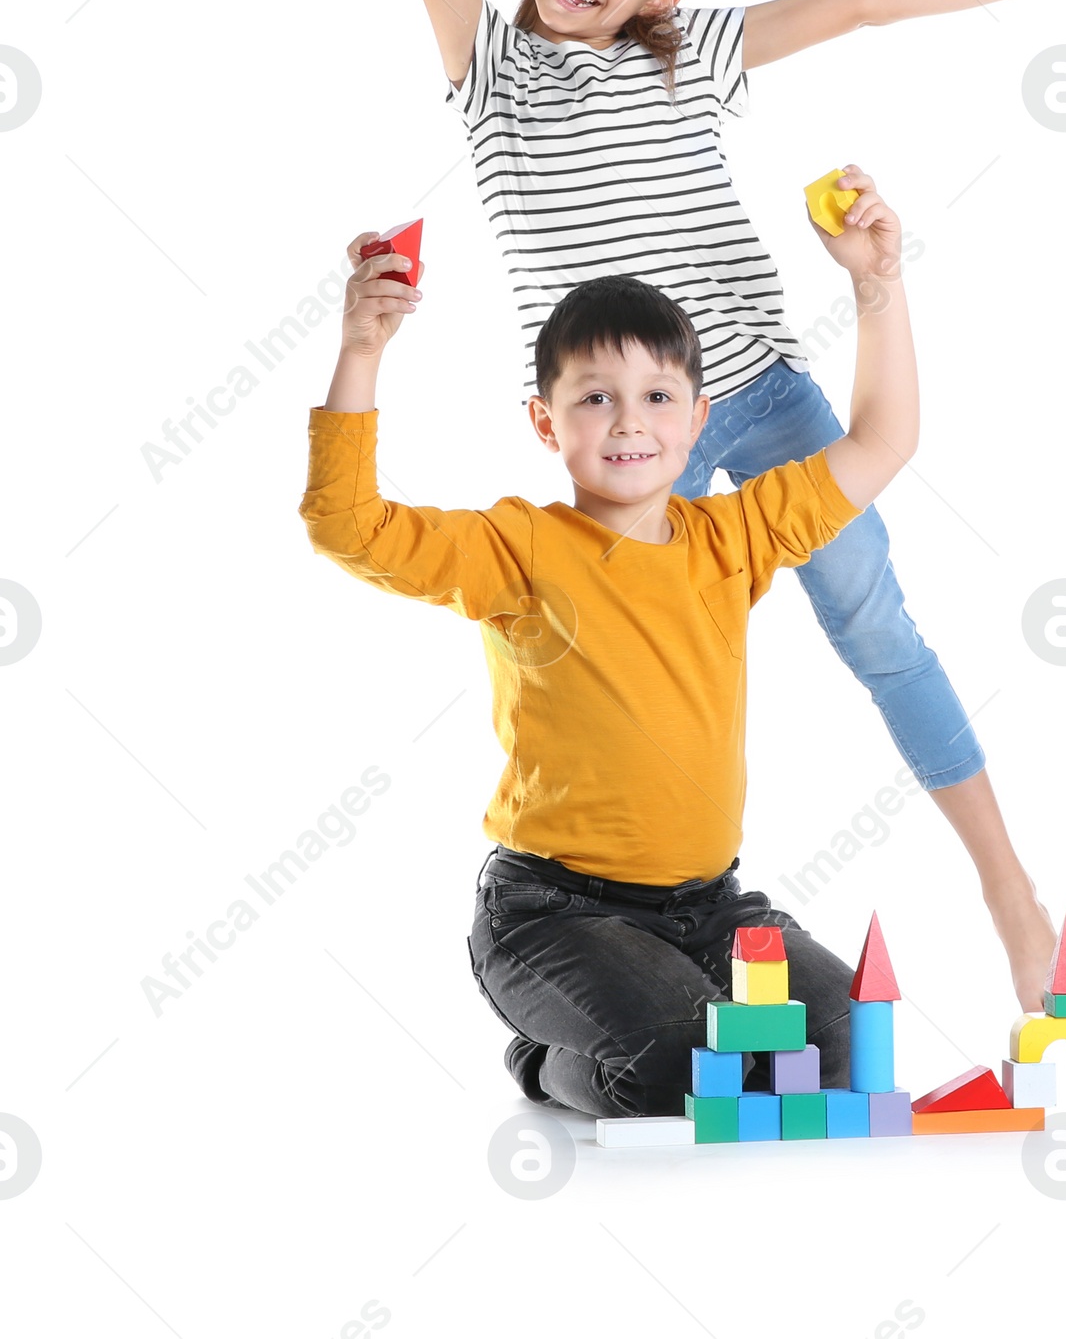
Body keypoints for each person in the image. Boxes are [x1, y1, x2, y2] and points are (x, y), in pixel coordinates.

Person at [305, 0, 1066, 1003]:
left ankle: (1011, 895)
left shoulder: (691, 60)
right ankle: (600, 924)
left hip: (752, 391)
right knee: (618, 664)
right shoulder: (490, 73)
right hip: (620, 435)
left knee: (873, 619)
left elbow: (872, 3)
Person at [302, 170, 916, 1115]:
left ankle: (679, 1009)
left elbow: (882, 441)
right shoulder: (520, 547)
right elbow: (350, 526)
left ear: (699, 418)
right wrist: (360, 350)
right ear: (546, 422)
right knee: (682, 1061)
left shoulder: (732, 537)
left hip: (710, 909)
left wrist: (876, 287)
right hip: (552, 915)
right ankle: (544, 1065)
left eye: (659, 395)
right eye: (595, 398)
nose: (630, 419)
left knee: (840, 1041)